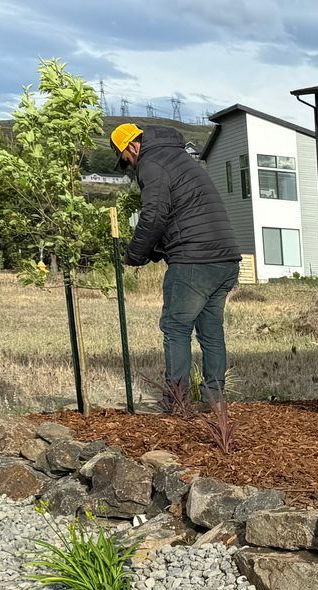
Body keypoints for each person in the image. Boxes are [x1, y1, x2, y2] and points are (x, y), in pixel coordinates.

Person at [112, 122, 243, 407]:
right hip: (225, 257)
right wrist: (153, 251)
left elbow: (154, 216)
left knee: (176, 327)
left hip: (194, 259)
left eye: (125, 159)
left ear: (132, 146)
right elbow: (179, 215)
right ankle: (214, 400)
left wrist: (133, 255)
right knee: (211, 331)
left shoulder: (151, 163)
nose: (129, 166)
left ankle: (176, 401)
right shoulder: (179, 157)